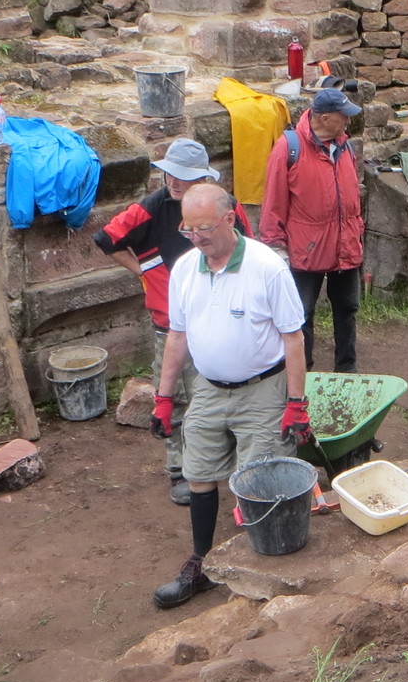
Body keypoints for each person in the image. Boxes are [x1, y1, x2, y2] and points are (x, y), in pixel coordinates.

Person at [153, 182, 310, 609]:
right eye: (188, 229)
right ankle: (201, 564)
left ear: (229, 218)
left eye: (205, 228)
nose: (196, 237)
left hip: (263, 388)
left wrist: (296, 404)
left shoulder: (267, 268)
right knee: (198, 472)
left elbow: (293, 338)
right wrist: (163, 398)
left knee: (257, 481)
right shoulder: (185, 268)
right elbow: (177, 335)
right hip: (208, 387)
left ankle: (260, 574)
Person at [95, 138, 251, 506]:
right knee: (177, 399)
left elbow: (248, 250)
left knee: (223, 392)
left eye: (184, 176)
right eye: (169, 174)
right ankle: (180, 470)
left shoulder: (226, 207)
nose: (174, 182)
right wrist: (144, 271)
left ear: (203, 179)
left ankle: (224, 462)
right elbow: (107, 238)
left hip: (218, 319)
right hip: (170, 322)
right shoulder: (153, 206)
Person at [260, 87, 365, 374]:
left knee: (347, 309)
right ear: (326, 118)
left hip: (345, 246)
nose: (349, 121)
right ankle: (303, 375)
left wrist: (355, 233)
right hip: (306, 250)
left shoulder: (345, 147)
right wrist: (275, 246)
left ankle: (347, 370)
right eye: (344, 116)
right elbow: (273, 202)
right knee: (301, 314)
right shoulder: (288, 148)